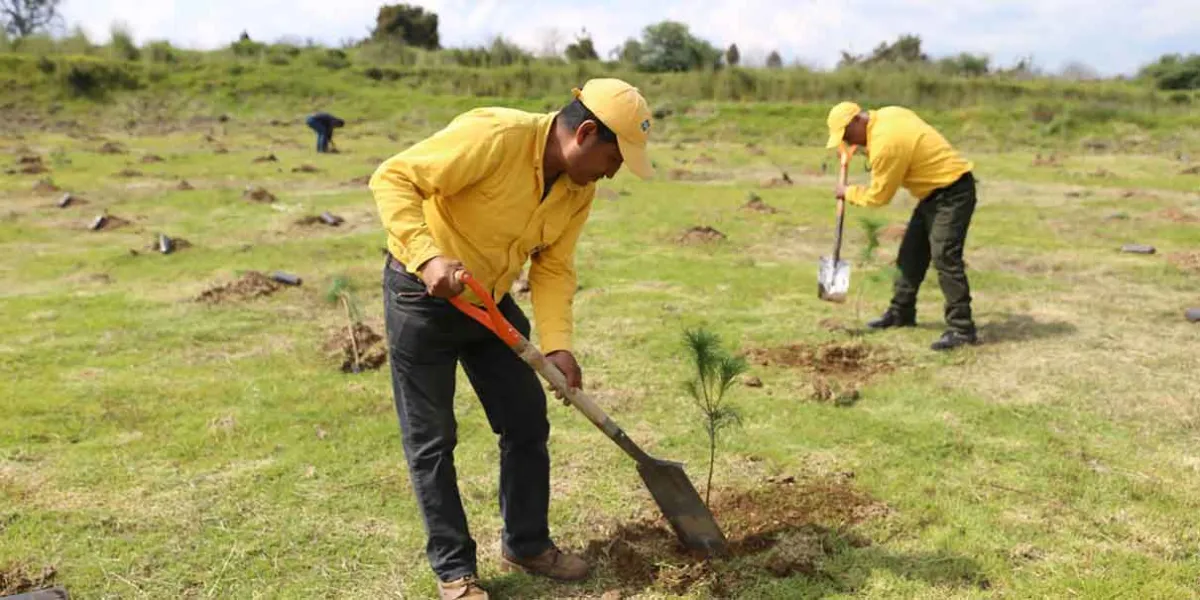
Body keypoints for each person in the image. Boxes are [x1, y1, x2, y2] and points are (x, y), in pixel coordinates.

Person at [369, 78, 654, 600]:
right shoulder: (496, 137)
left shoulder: (577, 189)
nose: (613, 172)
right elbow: (393, 177)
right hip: (421, 296)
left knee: (526, 422)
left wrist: (559, 343)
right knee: (432, 439)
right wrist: (428, 255)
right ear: (585, 133)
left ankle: (526, 544)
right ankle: (455, 571)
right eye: (614, 158)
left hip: (490, 303)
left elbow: (553, 267)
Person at [825, 101, 979, 351]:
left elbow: (879, 197)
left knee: (945, 257)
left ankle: (962, 329)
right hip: (932, 193)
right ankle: (901, 312)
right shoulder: (889, 113)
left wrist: (848, 192)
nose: (848, 142)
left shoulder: (886, 144)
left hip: (952, 193)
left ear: (857, 121)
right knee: (911, 255)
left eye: (846, 136)